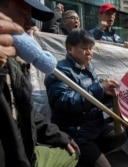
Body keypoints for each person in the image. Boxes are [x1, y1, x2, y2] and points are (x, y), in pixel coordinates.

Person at [0, 0, 80, 167]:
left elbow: (25, 111)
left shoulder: (14, 64)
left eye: (32, 19)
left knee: (70, 154)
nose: (29, 26)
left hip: (25, 154)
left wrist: (59, 136)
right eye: (23, 14)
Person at [45, 28, 127, 167]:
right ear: (70, 49)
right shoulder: (58, 72)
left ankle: (88, 158)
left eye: (91, 48)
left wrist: (107, 94)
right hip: (76, 132)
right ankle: (82, 155)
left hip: (93, 127)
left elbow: (93, 99)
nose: (89, 52)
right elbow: (66, 103)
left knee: (121, 134)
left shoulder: (89, 68)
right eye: (84, 48)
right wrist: (100, 88)